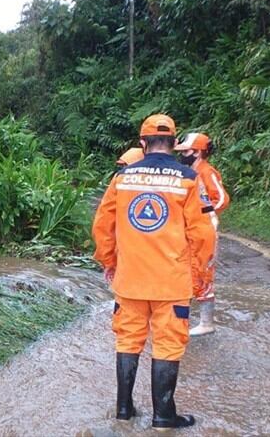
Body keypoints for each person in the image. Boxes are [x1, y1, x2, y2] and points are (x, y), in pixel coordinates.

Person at [92, 114, 216, 429]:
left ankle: (124, 410)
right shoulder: (188, 178)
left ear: (143, 143)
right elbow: (202, 234)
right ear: (174, 144)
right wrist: (199, 272)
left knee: (128, 340)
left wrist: (109, 261)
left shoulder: (122, 178)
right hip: (171, 283)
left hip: (130, 280)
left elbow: (103, 225)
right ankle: (163, 415)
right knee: (167, 344)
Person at [175, 132, 230, 336]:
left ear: (198, 152)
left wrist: (205, 213)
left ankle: (207, 323)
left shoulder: (207, 172)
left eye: (187, 151)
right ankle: (182, 317)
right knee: (186, 269)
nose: (183, 155)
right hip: (189, 228)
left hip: (205, 229)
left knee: (203, 271)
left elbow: (223, 198)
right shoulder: (189, 172)